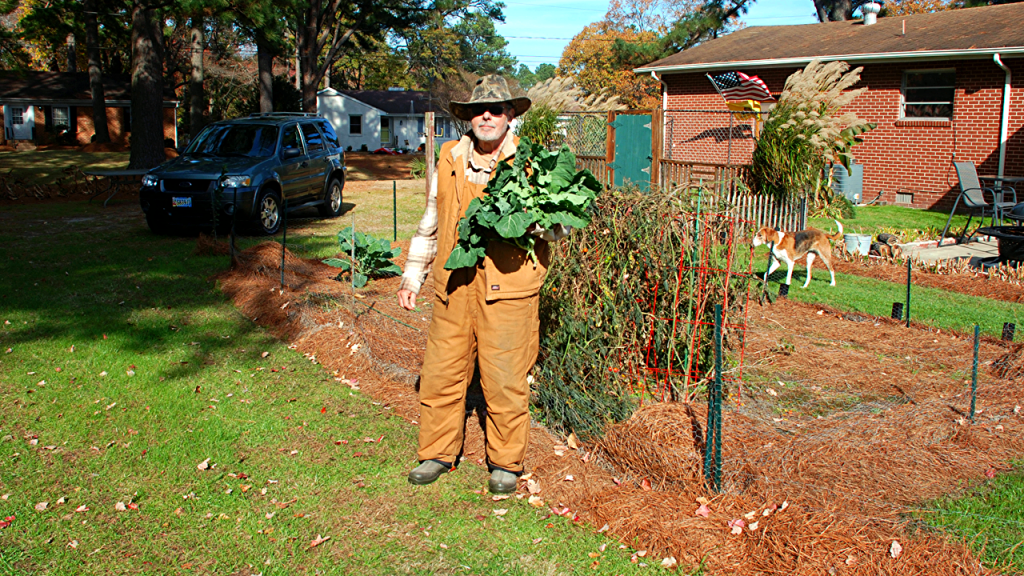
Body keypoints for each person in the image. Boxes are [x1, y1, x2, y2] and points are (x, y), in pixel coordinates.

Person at [397, 75, 567, 493]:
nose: (486, 116)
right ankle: (435, 453)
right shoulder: (450, 156)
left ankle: (505, 463)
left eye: (495, 109)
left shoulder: (530, 163)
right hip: (455, 283)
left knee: (505, 378)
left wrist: (535, 219)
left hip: (507, 290)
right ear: (469, 117)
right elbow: (431, 218)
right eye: (478, 110)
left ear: (511, 116)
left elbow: (559, 229)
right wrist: (413, 274)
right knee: (441, 373)